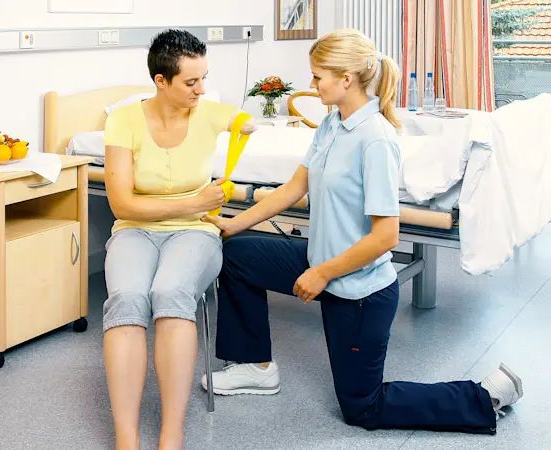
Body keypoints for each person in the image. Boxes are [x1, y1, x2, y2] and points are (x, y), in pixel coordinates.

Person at [200, 29, 523, 435]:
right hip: (320, 262)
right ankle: (255, 366)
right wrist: (234, 223)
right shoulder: (333, 124)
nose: (312, 85)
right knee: (238, 255)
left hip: (358, 290)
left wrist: (322, 274)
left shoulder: (375, 141)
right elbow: (293, 188)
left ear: (347, 79)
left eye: (318, 77)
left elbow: (386, 237)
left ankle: (485, 397)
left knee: (362, 408)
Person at [102, 29, 254, 450]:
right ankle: (126, 437)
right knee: (128, 299)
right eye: (192, 82)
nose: (201, 90)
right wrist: (193, 202)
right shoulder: (123, 121)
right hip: (135, 231)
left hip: (196, 232)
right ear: (161, 81)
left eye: (204, 78)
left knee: (169, 293)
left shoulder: (205, 111)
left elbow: (239, 119)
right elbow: (122, 206)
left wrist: (247, 123)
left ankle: (172, 432)